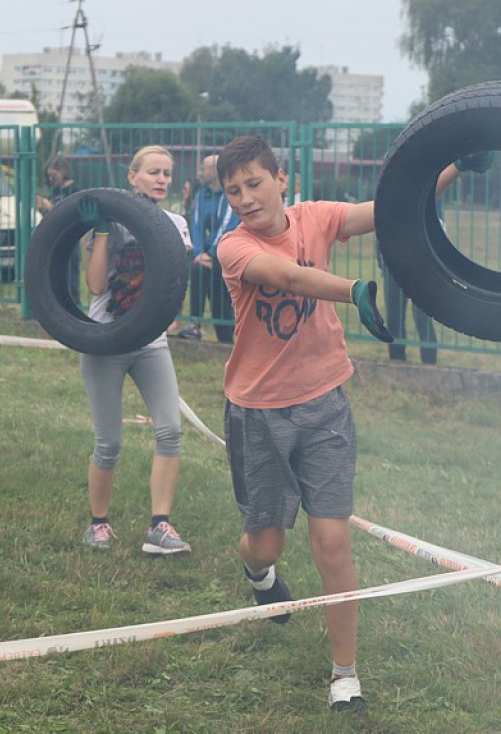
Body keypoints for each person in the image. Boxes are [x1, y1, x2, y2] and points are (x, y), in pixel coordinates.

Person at [215, 135, 393, 714]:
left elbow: (389, 207)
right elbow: (288, 278)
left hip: (323, 406)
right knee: (267, 542)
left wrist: (453, 168)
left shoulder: (317, 218)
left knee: (332, 540)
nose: (245, 197)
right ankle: (256, 569)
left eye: (254, 183)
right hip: (258, 411)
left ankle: (346, 673)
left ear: (281, 179)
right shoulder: (233, 248)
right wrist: (353, 292)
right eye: (233, 190)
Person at [76, 145, 194, 555]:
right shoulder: (112, 223)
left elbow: (175, 281)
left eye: (167, 173)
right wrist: (103, 233)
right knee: (109, 442)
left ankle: (160, 526)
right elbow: (94, 286)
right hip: (106, 338)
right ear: (133, 177)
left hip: (151, 341)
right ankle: (98, 524)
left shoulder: (176, 223)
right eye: (153, 172)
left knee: (170, 430)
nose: (162, 179)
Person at [381, 153, 494, 364]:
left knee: (424, 312)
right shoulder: (391, 186)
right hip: (394, 252)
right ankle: (397, 358)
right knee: (394, 313)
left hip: (423, 255)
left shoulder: (428, 180)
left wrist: (460, 165)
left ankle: (429, 360)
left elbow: (431, 191)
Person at [179, 154, 239, 343]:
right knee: (198, 269)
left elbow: (228, 226)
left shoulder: (230, 194)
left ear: (215, 171)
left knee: (220, 297)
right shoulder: (201, 194)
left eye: (203, 168)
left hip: (226, 253)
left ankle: (226, 336)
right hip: (204, 257)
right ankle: (194, 324)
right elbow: (195, 225)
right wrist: (198, 253)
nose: (199, 172)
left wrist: (212, 254)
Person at [37, 155, 82, 303]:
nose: (51, 179)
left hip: (71, 239)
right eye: (49, 176)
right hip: (56, 238)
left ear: (62, 171)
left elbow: (72, 214)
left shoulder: (75, 190)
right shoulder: (55, 190)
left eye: (53, 175)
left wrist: (50, 207)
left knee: (71, 277)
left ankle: (75, 304)